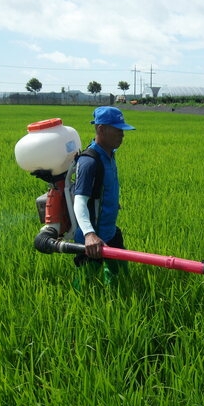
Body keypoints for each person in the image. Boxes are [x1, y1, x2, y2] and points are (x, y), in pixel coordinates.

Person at [72, 106, 135, 287]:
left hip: (110, 231)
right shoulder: (89, 161)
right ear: (101, 129)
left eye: (122, 130)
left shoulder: (110, 155)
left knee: (120, 277)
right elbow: (79, 202)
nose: (122, 135)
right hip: (93, 239)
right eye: (117, 130)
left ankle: (116, 300)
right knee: (84, 285)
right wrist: (90, 235)